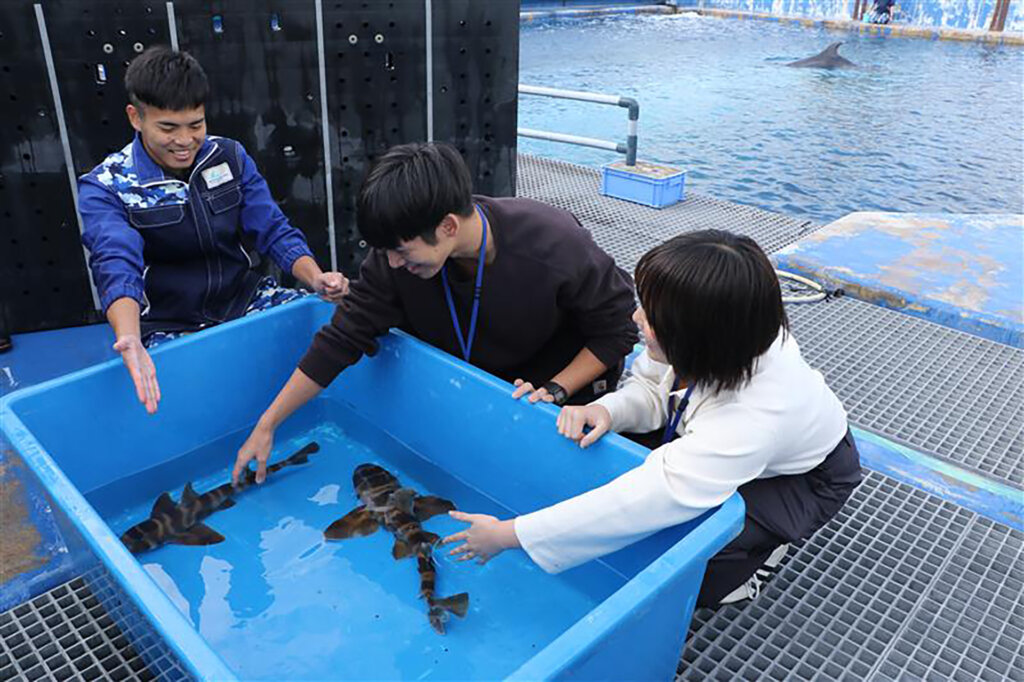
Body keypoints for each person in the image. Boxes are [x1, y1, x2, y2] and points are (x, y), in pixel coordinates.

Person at [443, 230, 862, 607]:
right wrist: (607, 409)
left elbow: (643, 501)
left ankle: (759, 557)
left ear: (695, 334)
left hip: (804, 478)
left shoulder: (753, 417)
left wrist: (506, 535)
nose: (636, 318)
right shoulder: (728, 333)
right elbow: (652, 390)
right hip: (720, 439)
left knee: (693, 556)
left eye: (651, 314)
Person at [231, 142, 638, 485]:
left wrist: (555, 390)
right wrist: (268, 423)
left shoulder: (554, 244)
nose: (391, 264)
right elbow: (341, 339)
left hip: (546, 392)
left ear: (447, 226)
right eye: (385, 251)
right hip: (468, 383)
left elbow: (617, 331)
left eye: (402, 252)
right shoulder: (395, 255)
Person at [78, 47, 348, 416]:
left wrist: (316, 279)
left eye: (196, 124)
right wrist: (128, 336)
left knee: (330, 338)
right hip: (168, 321)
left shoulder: (230, 157)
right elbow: (114, 260)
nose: (185, 140)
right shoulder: (105, 186)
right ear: (135, 118)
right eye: (168, 128)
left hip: (244, 298)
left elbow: (272, 228)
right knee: (177, 406)